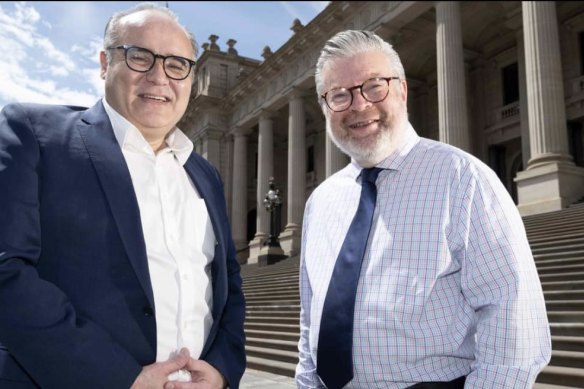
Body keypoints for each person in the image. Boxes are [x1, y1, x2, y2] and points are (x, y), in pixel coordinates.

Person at [0, 3, 245, 388]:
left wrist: (222, 370)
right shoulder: (34, 134)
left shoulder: (205, 174)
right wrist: (119, 379)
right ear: (104, 63)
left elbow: (228, 279)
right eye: (139, 57)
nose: (159, 76)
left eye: (177, 65)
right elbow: (6, 271)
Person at [296, 30, 551, 388]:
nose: (358, 105)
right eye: (339, 95)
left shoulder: (464, 179)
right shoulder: (319, 202)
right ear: (325, 109)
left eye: (373, 86)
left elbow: (514, 321)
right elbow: (312, 321)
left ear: (401, 90)